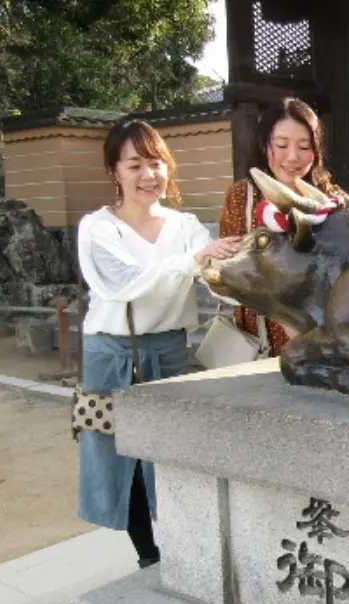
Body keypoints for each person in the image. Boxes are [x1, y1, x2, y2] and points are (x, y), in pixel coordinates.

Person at [76, 118, 230, 568]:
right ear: (115, 171)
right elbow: (124, 283)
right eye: (135, 164)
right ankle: (149, 555)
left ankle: (185, 545)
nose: (149, 175)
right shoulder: (97, 228)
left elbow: (215, 276)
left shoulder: (186, 227)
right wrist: (194, 261)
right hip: (109, 355)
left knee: (175, 450)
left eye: (157, 162)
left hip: (168, 351)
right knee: (121, 457)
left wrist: (239, 263)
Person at [217, 97, 349, 355]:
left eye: (304, 146)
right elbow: (231, 269)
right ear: (263, 144)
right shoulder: (241, 197)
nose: (293, 157)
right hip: (259, 343)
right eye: (281, 145)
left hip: (318, 347)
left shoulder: (330, 198)